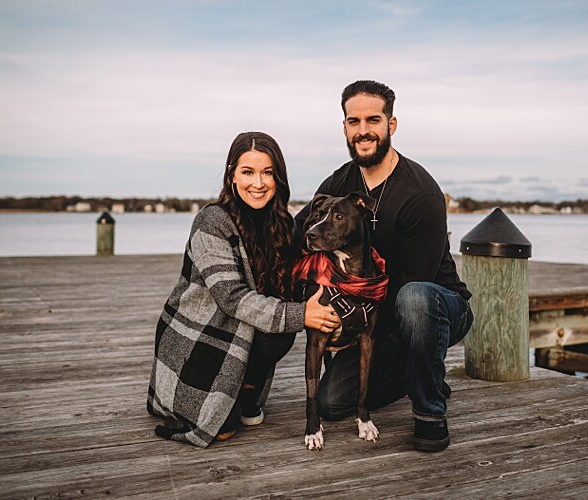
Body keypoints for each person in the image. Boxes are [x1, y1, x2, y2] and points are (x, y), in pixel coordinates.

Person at [293, 80, 473, 452]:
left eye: (373, 120)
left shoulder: (419, 194)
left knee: (414, 300)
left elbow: (411, 286)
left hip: (434, 308)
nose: (363, 130)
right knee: (332, 403)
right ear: (344, 127)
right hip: (366, 312)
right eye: (353, 121)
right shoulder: (339, 182)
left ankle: (429, 410)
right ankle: (416, 373)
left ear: (390, 125)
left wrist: (350, 328)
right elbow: (300, 237)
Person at [147, 131, 339, 446]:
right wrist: (304, 314)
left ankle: (247, 392)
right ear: (232, 176)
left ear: (279, 178)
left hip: (244, 334)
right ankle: (216, 400)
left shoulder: (283, 226)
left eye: (267, 172)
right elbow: (232, 299)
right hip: (200, 337)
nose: (258, 183)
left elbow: (307, 274)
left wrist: (336, 317)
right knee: (221, 428)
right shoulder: (212, 221)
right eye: (247, 172)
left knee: (283, 323)